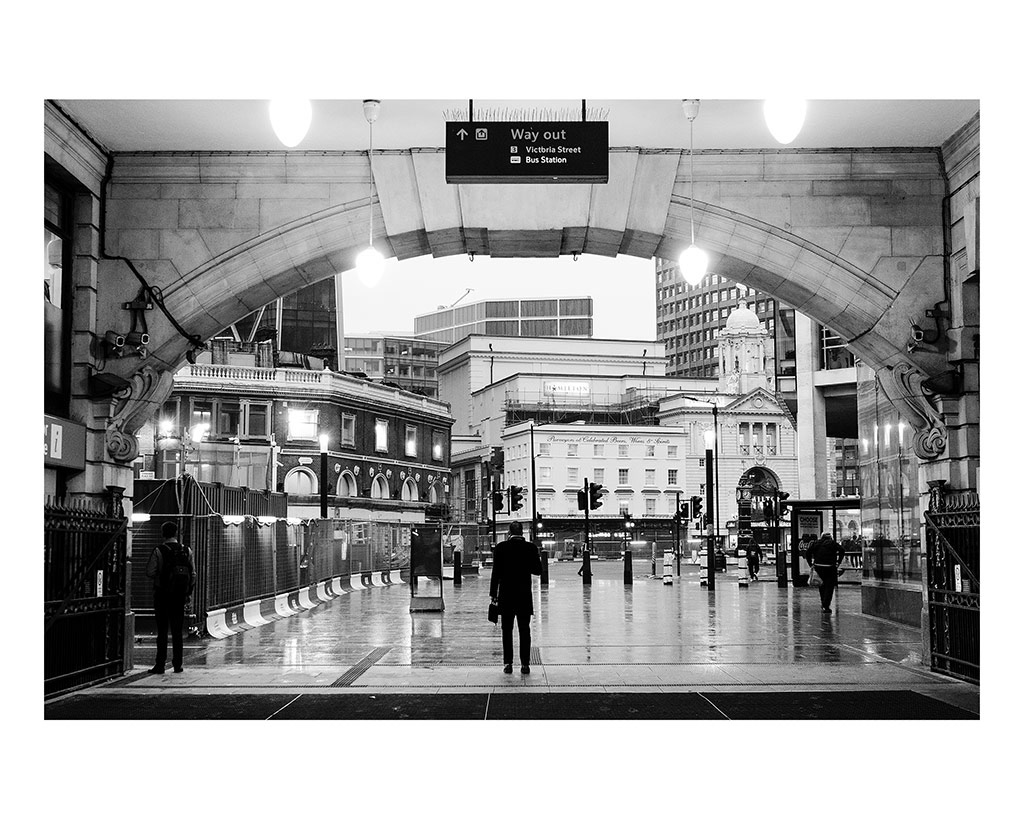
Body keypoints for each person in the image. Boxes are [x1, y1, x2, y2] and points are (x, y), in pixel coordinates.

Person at [489, 521, 542, 674]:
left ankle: (508, 663)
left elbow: (495, 573)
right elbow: (538, 570)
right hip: (524, 595)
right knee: (524, 630)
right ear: (522, 532)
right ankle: (525, 664)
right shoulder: (530, 548)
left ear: (509, 532)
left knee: (507, 630)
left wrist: (493, 594)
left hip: (506, 595)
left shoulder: (501, 548)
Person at [145, 521, 196, 673]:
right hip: (179, 596)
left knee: (162, 631)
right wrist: (188, 592)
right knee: (177, 631)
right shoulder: (186, 550)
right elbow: (193, 574)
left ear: (163, 533)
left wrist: (161, 576)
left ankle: (160, 664)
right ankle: (178, 664)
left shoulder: (159, 550)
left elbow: (150, 571)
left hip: (162, 595)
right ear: (176, 533)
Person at [806, 532, 846, 613]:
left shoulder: (816, 543)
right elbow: (842, 550)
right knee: (829, 586)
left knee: (821, 585)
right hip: (830, 567)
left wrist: (811, 564)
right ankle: (826, 605)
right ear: (830, 537)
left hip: (818, 567)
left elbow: (808, 553)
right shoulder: (833, 543)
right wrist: (838, 562)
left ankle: (823, 602)